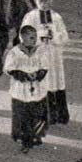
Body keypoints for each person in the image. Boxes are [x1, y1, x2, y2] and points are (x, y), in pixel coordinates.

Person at [22, 0, 70, 126]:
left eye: (46, 0)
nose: (43, 3)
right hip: (38, 56)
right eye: (40, 0)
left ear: (50, 0)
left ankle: (57, 116)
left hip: (53, 56)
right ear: (36, 1)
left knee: (55, 84)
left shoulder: (56, 17)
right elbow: (23, 35)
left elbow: (65, 36)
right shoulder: (30, 17)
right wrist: (39, 35)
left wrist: (54, 36)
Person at [5, 25, 50, 153]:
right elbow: (9, 69)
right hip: (21, 90)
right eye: (31, 37)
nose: (34, 40)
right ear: (22, 37)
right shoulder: (14, 52)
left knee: (37, 114)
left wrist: (38, 74)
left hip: (36, 88)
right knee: (22, 116)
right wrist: (23, 75)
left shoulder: (40, 51)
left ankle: (36, 136)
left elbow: (45, 66)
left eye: (35, 37)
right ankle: (23, 139)